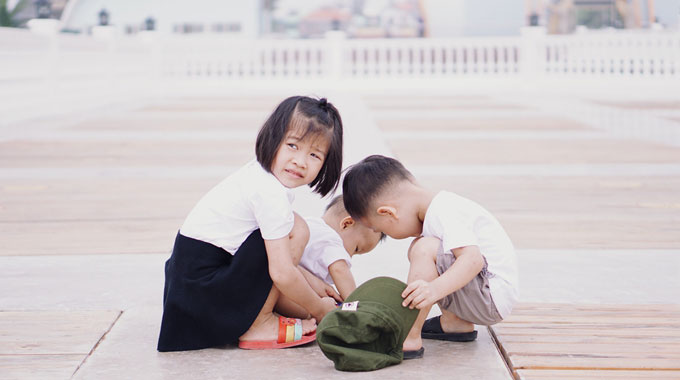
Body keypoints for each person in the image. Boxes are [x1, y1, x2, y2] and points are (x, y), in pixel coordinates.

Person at [157, 96, 343, 352]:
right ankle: (260, 323)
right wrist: (318, 308)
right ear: (273, 138)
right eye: (292, 145)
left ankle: (263, 314)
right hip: (202, 292)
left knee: (295, 227)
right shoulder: (269, 193)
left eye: (314, 154)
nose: (300, 161)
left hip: (189, 291)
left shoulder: (259, 175)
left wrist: (311, 281)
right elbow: (281, 272)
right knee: (295, 230)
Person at [341, 155, 519, 359]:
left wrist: (433, 289)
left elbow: (472, 260)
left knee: (425, 249)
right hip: (486, 292)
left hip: (490, 295)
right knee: (423, 247)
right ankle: (455, 324)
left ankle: (409, 337)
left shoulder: (444, 211)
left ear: (389, 213)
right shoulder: (439, 208)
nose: (387, 235)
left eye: (381, 230)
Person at [299, 195, 386, 301]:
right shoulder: (331, 239)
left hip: (279, 283)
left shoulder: (308, 223)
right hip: (288, 293)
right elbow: (339, 271)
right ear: (346, 224)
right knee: (327, 305)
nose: (349, 257)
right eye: (356, 249)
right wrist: (355, 302)